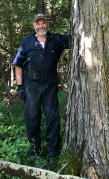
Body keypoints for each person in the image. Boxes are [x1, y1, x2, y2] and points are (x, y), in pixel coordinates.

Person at [13, 13, 69, 166]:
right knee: (32, 119)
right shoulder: (27, 42)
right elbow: (18, 65)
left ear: (48, 24)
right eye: (38, 23)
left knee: (52, 118)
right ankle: (35, 152)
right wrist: (20, 87)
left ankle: (53, 153)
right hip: (31, 87)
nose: (41, 26)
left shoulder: (56, 40)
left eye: (43, 23)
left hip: (50, 86)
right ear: (34, 26)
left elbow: (77, 37)